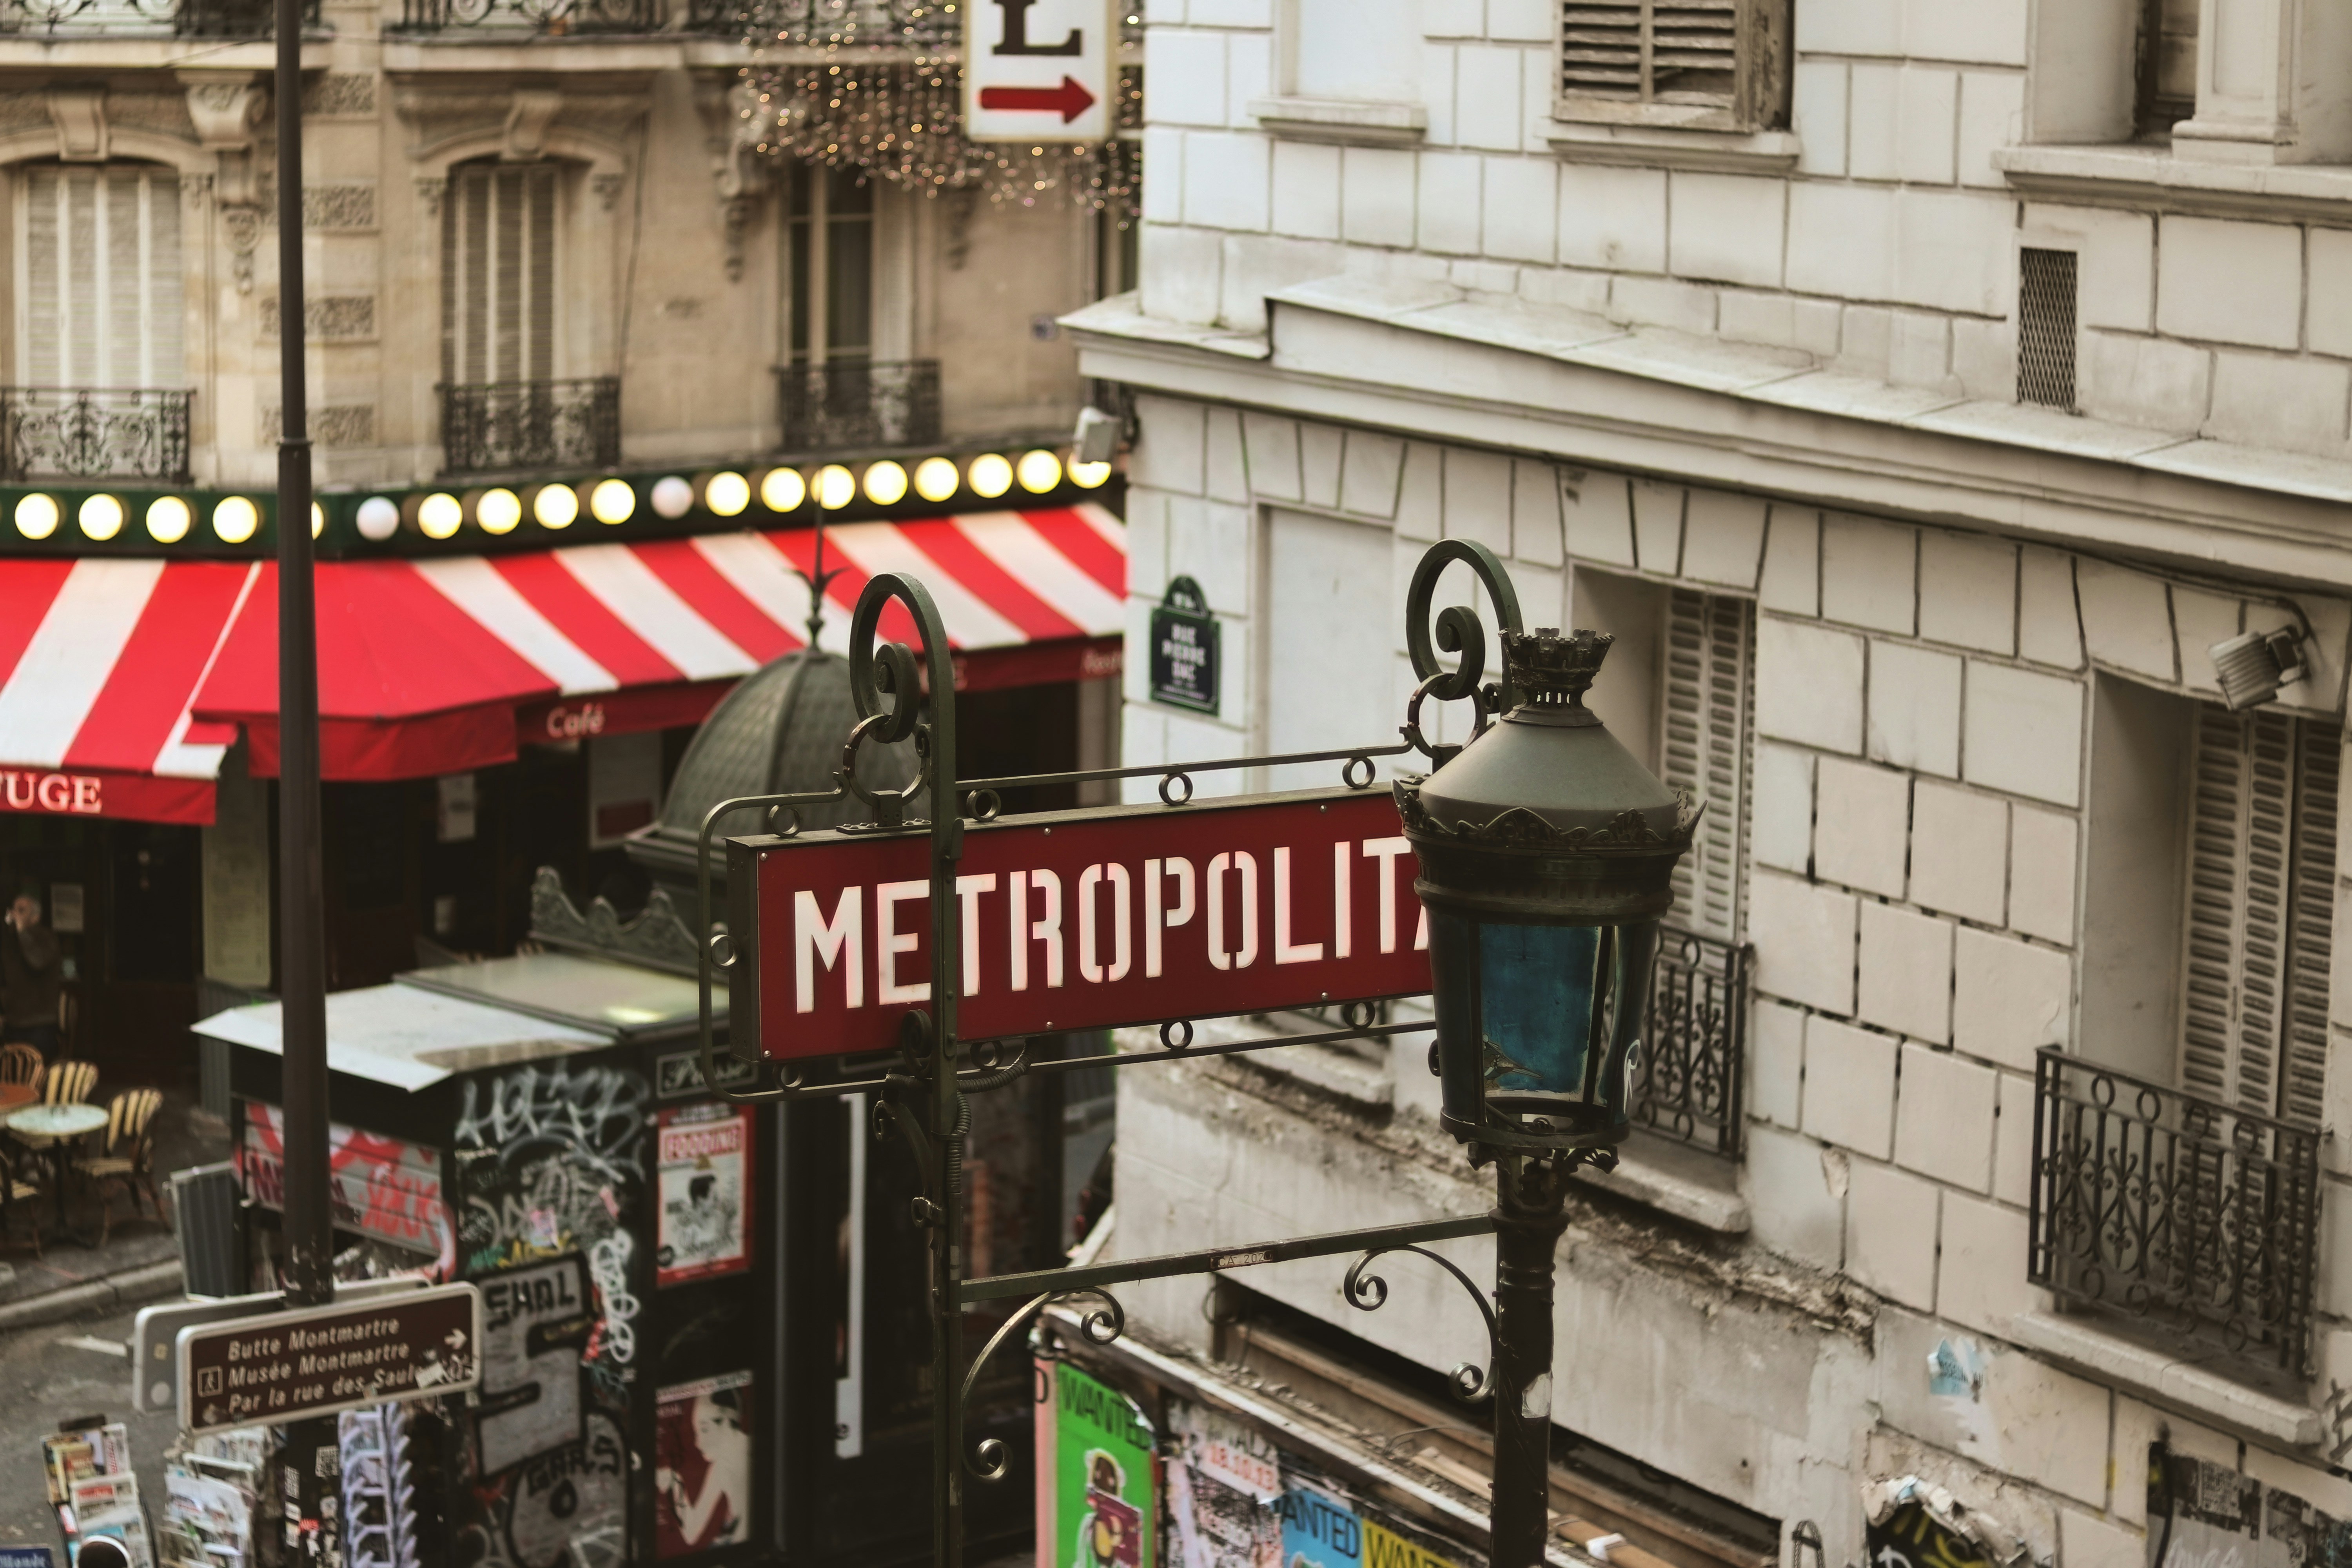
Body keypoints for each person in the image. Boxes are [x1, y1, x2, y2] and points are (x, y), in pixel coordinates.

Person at [1, 892, 59, 1058]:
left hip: (40, 1022)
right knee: (13, 1071)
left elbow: (38, 962)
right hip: (13, 1021)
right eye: (13, 909)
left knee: (38, 1070)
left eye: (21, 910)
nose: (15, 914)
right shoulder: (9, 940)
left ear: (35, 917)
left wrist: (22, 931)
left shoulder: (47, 938)